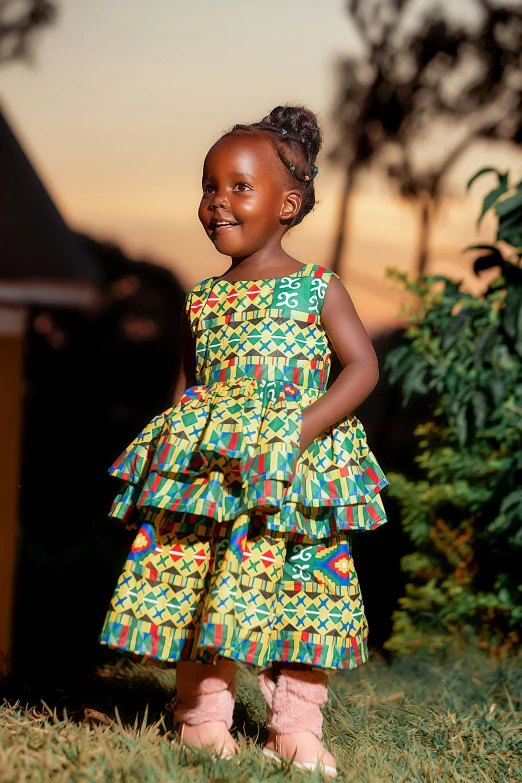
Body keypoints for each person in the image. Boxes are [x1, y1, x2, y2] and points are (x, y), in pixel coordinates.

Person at [99, 105, 389, 778]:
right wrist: (166, 477)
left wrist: (297, 430)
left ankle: (294, 729)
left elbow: (363, 366)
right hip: (211, 478)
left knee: (299, 593)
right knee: (202, 589)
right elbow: (185, 393)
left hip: (291, 476)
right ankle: (202, 721)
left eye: (238, 186)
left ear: (288, 203)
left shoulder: (318, 289)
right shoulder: (200, 300)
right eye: (209, 185)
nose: (217, 202)